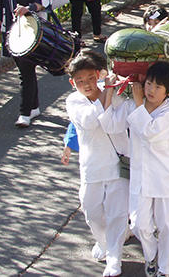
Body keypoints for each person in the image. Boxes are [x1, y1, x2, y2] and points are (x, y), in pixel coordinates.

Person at [64, 50, 131, 277]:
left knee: (117, 214)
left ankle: (114, 259)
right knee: (91, 211)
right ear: (73, 83)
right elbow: (91, 122)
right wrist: (108, 94)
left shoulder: (119, 94)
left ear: (98, 75)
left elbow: (124, 120)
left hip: (117, 164)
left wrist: (116, 90)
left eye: (91, 79)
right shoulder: (73, 101)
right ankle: (104, 242)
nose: (87, 85)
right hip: (92, 167)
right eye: (80, 81)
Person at [127, 62, 169, 277]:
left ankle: (167, 269)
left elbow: (150, 132)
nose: (150, 89)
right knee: (139, 224)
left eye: (158, 87)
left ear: (168, 93)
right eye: (149, 83)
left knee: (167, 225)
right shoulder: (135, 104)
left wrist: (139, 102)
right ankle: (151, 256)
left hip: (164, 176)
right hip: (140, 175)